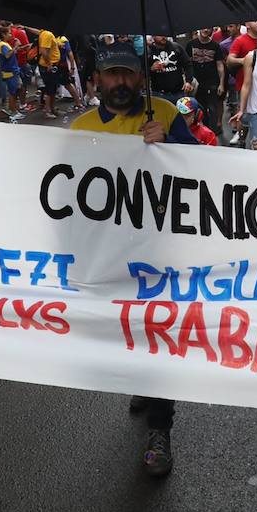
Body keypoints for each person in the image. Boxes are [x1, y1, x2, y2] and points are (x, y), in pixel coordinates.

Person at [69, 39, 197, 476]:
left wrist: (172, 146)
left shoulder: (163, 112)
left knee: (158, 331)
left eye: (128, 74)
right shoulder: (80, 127)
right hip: (109, 255)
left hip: (160, 251)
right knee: (126, 329)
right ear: (97, 80)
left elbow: (205, 173)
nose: (120, 83)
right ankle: (143, 378)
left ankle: (160, 429)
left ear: (141, 78)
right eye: (111, 74)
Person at [187, 28, 227, 136]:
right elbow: (187, 65)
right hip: (196, 83)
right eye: (204, 28)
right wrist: (187, 80)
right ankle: (201, 132)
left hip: (212, 82)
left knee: (212, 108)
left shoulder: (215, 46)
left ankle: (212, 133)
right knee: (199, 108)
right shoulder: (190, 44)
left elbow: (220, 65)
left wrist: (221, 84)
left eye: (208, 28)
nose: (206, 30)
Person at [147, 34, 194, 99]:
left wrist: (188, 81)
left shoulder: (176, 47)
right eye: (159, 35)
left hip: (178, 92)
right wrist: (151, 68)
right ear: (153, 36)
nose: (163, 37)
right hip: (158, 93)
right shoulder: (149, 51)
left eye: (163, 34)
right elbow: (142, 72)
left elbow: (188, 64)